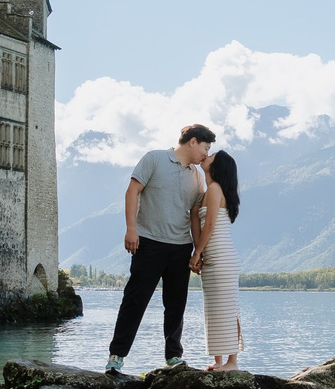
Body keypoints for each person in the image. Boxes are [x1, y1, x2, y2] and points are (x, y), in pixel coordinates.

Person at [105, 124, 214, 372]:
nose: (206, 155)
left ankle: (173, 357)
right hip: (149, 242)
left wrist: (198, 251)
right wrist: (131, 229)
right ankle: (116, 357)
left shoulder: (196, 176)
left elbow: (196, 215)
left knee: (176, 305)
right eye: (206, 148)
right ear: (193, 142)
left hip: (180, 247)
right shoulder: (154, 158)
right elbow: (133, 191)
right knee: (135, 300)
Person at [191, 150, 244, 370]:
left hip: (221, 256)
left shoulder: (214, 189)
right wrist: (200, 253)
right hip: (213, 256)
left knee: (226, 308)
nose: (206, 155)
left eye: (211, 155)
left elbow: (210, 225)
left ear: (218, 166)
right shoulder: (207, 191)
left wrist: (196, 253)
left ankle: (232, 362)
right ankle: (218, 360)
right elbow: (198, 221)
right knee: (214, 309)